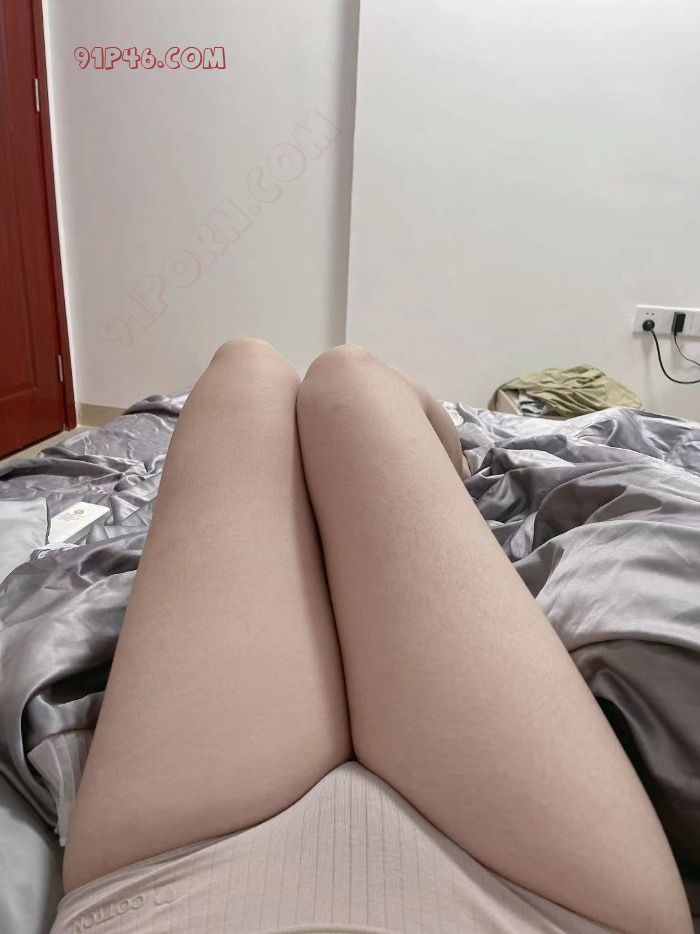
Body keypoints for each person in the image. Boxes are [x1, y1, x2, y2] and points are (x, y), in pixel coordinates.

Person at [52, 341, 691, 934]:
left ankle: (435, 472)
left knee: (252, 368)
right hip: (549, 903)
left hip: (168, 886)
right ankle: (450, 470)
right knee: (347, 378)